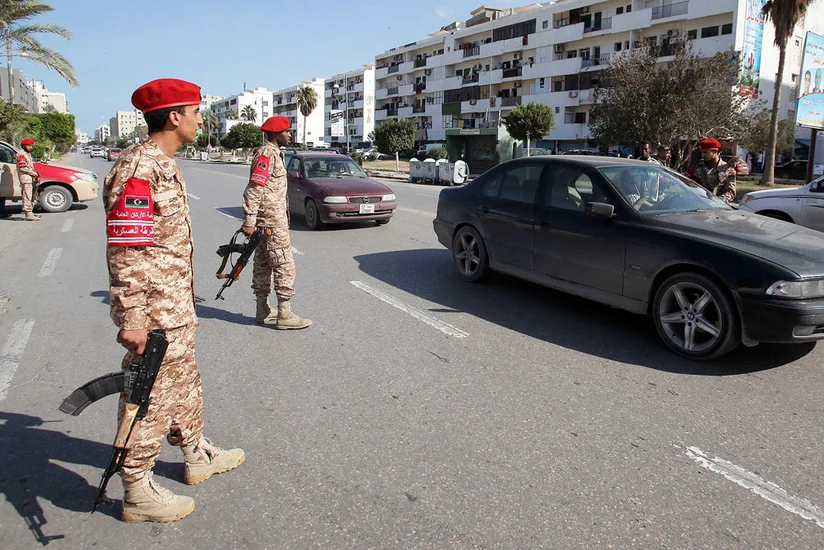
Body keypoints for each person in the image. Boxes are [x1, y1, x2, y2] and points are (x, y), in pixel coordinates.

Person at [103, 78, 244, 523]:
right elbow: (127, 249)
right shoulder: (138, 168)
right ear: (174, 117)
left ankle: (196, 453)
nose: (202, 120)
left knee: (183, 384)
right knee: (149, 395)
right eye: (196, 112)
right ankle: (137, 488)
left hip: (175, 305)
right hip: (153, 311)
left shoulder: (164, 164)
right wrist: (132, 317)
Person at [241, 116, 311, 329]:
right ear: (277, 133)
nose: (290, 135)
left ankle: (262, 309)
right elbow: (255, 188)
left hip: (268, 220)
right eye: (287, 132)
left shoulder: (275, 154)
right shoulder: (266, 155)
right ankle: (284, 314)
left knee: (263, 264)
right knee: (284, 264)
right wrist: (249, 220)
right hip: (271, 221)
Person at [686, 138, 737, 203]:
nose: (702, 155)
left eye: (705, 152)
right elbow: (686, 180)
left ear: (715, 151)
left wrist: (717, 201)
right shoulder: (697, 167)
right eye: (701, 152)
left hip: (717, 208)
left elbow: (730, 193)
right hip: (697, 204)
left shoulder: (728, 170)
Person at [17, 138, 41, 221]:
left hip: (30, 178)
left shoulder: (27, 154)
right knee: (27, 195)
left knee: (32, 196)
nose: (31, 147)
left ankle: (30, 212)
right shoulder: (21, 155)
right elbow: (23, 168)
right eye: (29, 146)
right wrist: (34, 173)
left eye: (31, 146)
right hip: (25, 179)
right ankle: (28, 213)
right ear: (24, 146)